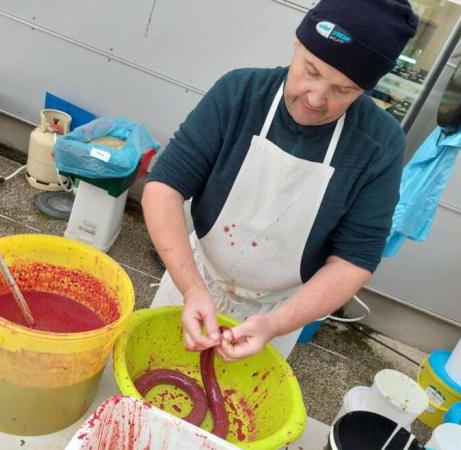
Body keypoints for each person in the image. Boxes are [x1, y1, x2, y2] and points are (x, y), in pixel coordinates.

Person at [142, 0, 419, 361]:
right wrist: (192, 288)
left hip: (280, 311)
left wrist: (273, 324)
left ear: (365, 90)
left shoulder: (379, 144)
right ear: (297, 45)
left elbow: (354, 261)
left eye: (343, 90)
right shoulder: (239, 93)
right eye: (311, 71)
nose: (316, 98)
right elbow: (164, 188)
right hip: (195, 279)